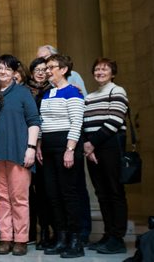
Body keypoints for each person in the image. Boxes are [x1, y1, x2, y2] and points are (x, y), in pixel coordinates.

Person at [36, 45, 92, 245]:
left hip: (66, 147)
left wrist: (70, 150)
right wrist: (40, 144)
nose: (48, 71)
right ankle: (60, 236)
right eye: (47, 67)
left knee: (69, 193)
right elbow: (42, 121)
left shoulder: (73, 92)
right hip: (48, 148)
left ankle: (74, 239)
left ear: (64, 70)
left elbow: (77, 122)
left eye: (52, 67)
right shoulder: (47, 94)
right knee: (52, 193)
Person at [0, 55, 40, 256]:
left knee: (19, 198)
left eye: (7, 69)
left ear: (14, 72)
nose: (2, 72)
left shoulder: (23, 93)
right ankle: (5, 238)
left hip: (19, 151)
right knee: (1, 197)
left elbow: (34, 121)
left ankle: (21, 239)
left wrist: (31, 148)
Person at [83, 58, 129, 254]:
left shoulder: (117, 91)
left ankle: (117, 238)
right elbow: (83, 122)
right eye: (97, 69)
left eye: (105, 69)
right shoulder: (89, 97)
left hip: (110, 146)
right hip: (92, 149)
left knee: (114, 191)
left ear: (113, 73)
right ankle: (108, 234)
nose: (100, 72)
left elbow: (115, 120)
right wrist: (88, 146)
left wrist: (92, 144)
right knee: (101, 193)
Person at [26, 57, 54, 250]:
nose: (41, 72)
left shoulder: (53, 90)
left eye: (45, 69)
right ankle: (34, 232)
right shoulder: (26, 91)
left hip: (48, 145)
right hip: (29, 145)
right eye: (37, 68)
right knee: (31, 193)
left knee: (47, 191)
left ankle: (47, 231)